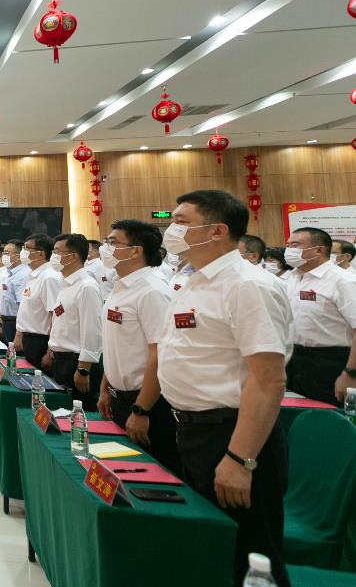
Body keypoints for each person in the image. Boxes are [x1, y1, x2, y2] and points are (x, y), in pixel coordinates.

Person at [156, 190, 292, 587]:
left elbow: (268, 379)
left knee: (250, 558)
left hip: (233, 435)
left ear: (217, 230)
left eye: (181, 221)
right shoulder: (194, 281)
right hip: (194, 432)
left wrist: (240, 459)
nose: (171, 229)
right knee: (211, 550)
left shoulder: (248, 285)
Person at [95, 219, 180, 473]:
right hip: (119, 398)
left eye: (113, 242)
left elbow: (160, 354)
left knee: (150, 475)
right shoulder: (120, 287)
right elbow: (116, 344)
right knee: (121, 472)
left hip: (147, 403)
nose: (106, 248)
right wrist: (106, 387)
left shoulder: (151, 291)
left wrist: (142, 410)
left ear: (136, 251)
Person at [283, 227, 356, 404]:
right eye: (288, 245)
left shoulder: (343, 281)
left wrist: (351, 373)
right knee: (299, 413)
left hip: (332, 361)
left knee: (330, 416)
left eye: (295, 245)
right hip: (296, 359)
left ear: (319, 250)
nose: (289, 250)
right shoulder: (291, 277)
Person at [44, 233, 103, 410]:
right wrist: (51, 350)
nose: (53, 256)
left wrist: (83, 369)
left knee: (78, 414)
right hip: (61, 359)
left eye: (57, 252)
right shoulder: (66, 284)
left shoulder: (86, 287)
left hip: (76, 362)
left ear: (73, 256)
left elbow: (92, 330)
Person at [15, 234, 62, 368]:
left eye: (27, 248)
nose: (23, 252)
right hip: (28, 338)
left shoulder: (49, 277)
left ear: (40, 254)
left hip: (41, 342)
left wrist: (50, 351)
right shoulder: (34, 275)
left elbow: (55, 316)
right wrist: (19, 335)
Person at [0, 239, 30, 344]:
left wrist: (19, 333)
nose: (4, 256)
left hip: (16, 322)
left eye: (7, 253)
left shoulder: (23, 275)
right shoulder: (9, 273)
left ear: (18, 256)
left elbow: (23, 306)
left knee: (14, 352)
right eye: (4, 253)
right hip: (7, 320)